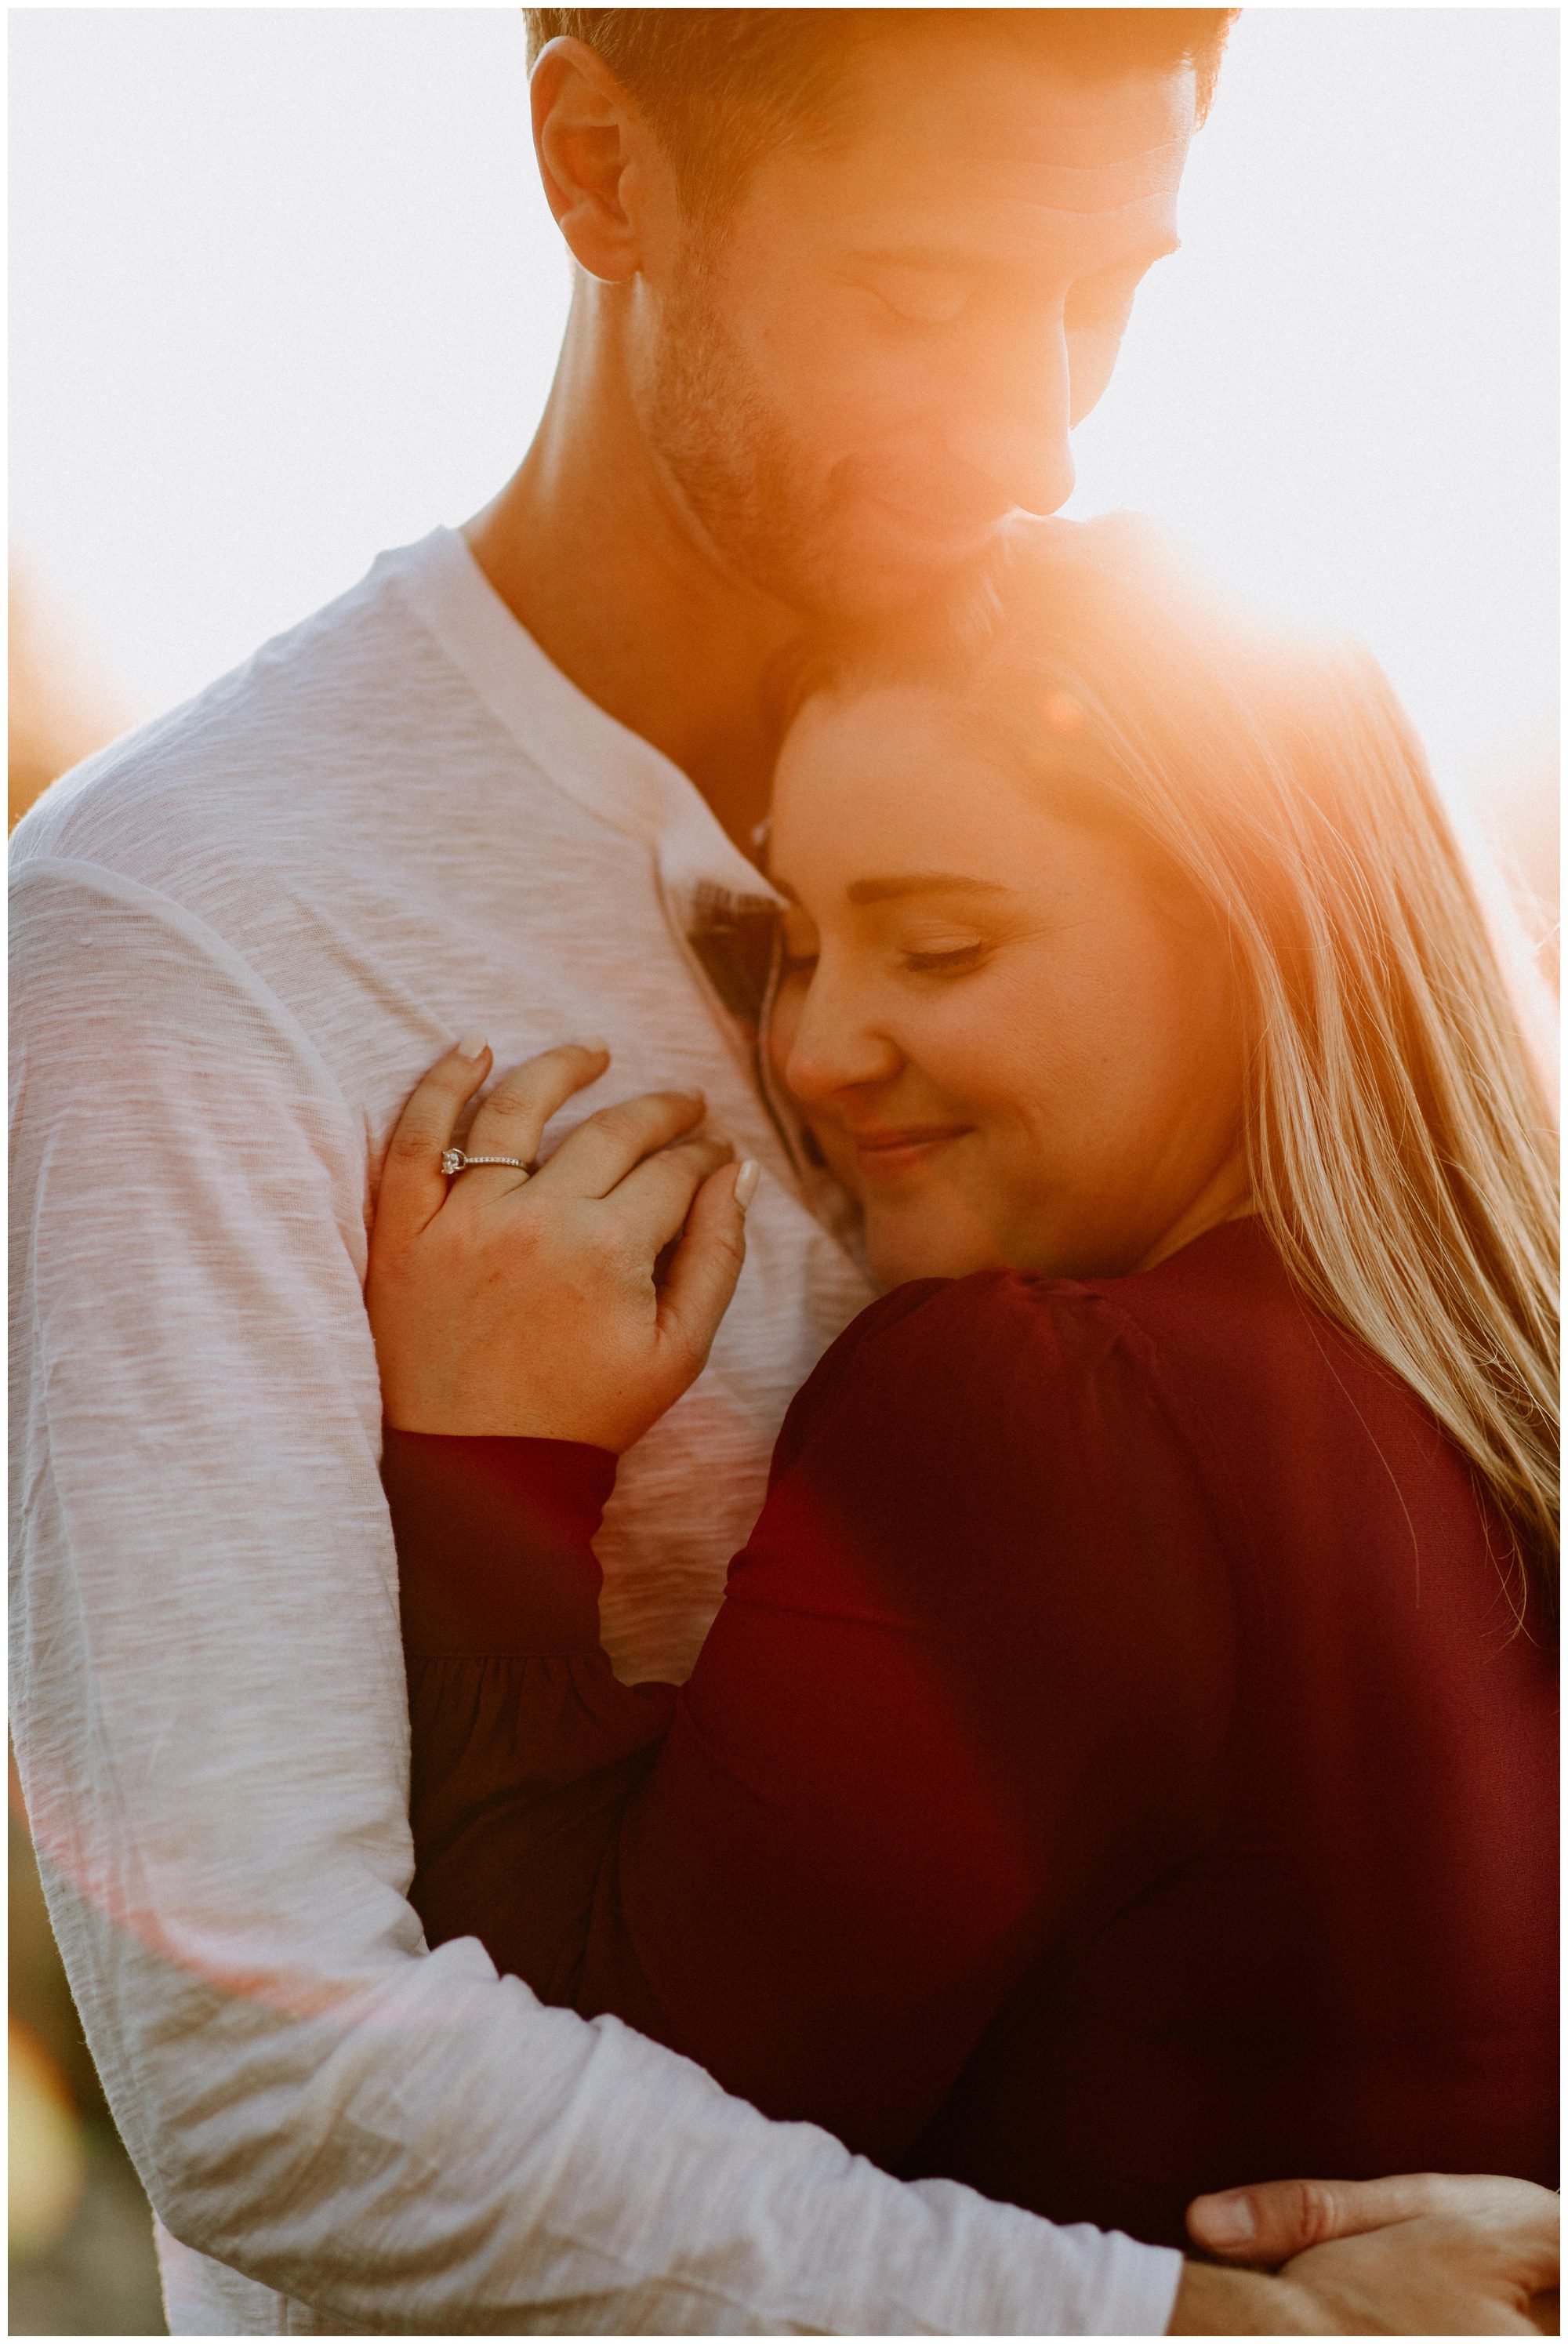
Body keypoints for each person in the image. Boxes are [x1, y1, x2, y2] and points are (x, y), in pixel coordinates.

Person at [8, 9, 1555, 2334]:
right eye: (929, 293)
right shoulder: (184, 932)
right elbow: (267, 2081)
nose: (1040, 427)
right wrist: (1183, 2322)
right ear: (598, 164)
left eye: (1104, 290)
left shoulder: (1127, 767)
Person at [368, 513, 1558, 2283]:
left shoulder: (1045, 1417)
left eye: (935, 948)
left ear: (1253, 933)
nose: (809, 1048)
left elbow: (569, 2146)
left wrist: (490, 1457)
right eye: (794, 944)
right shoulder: (1485, 1382)